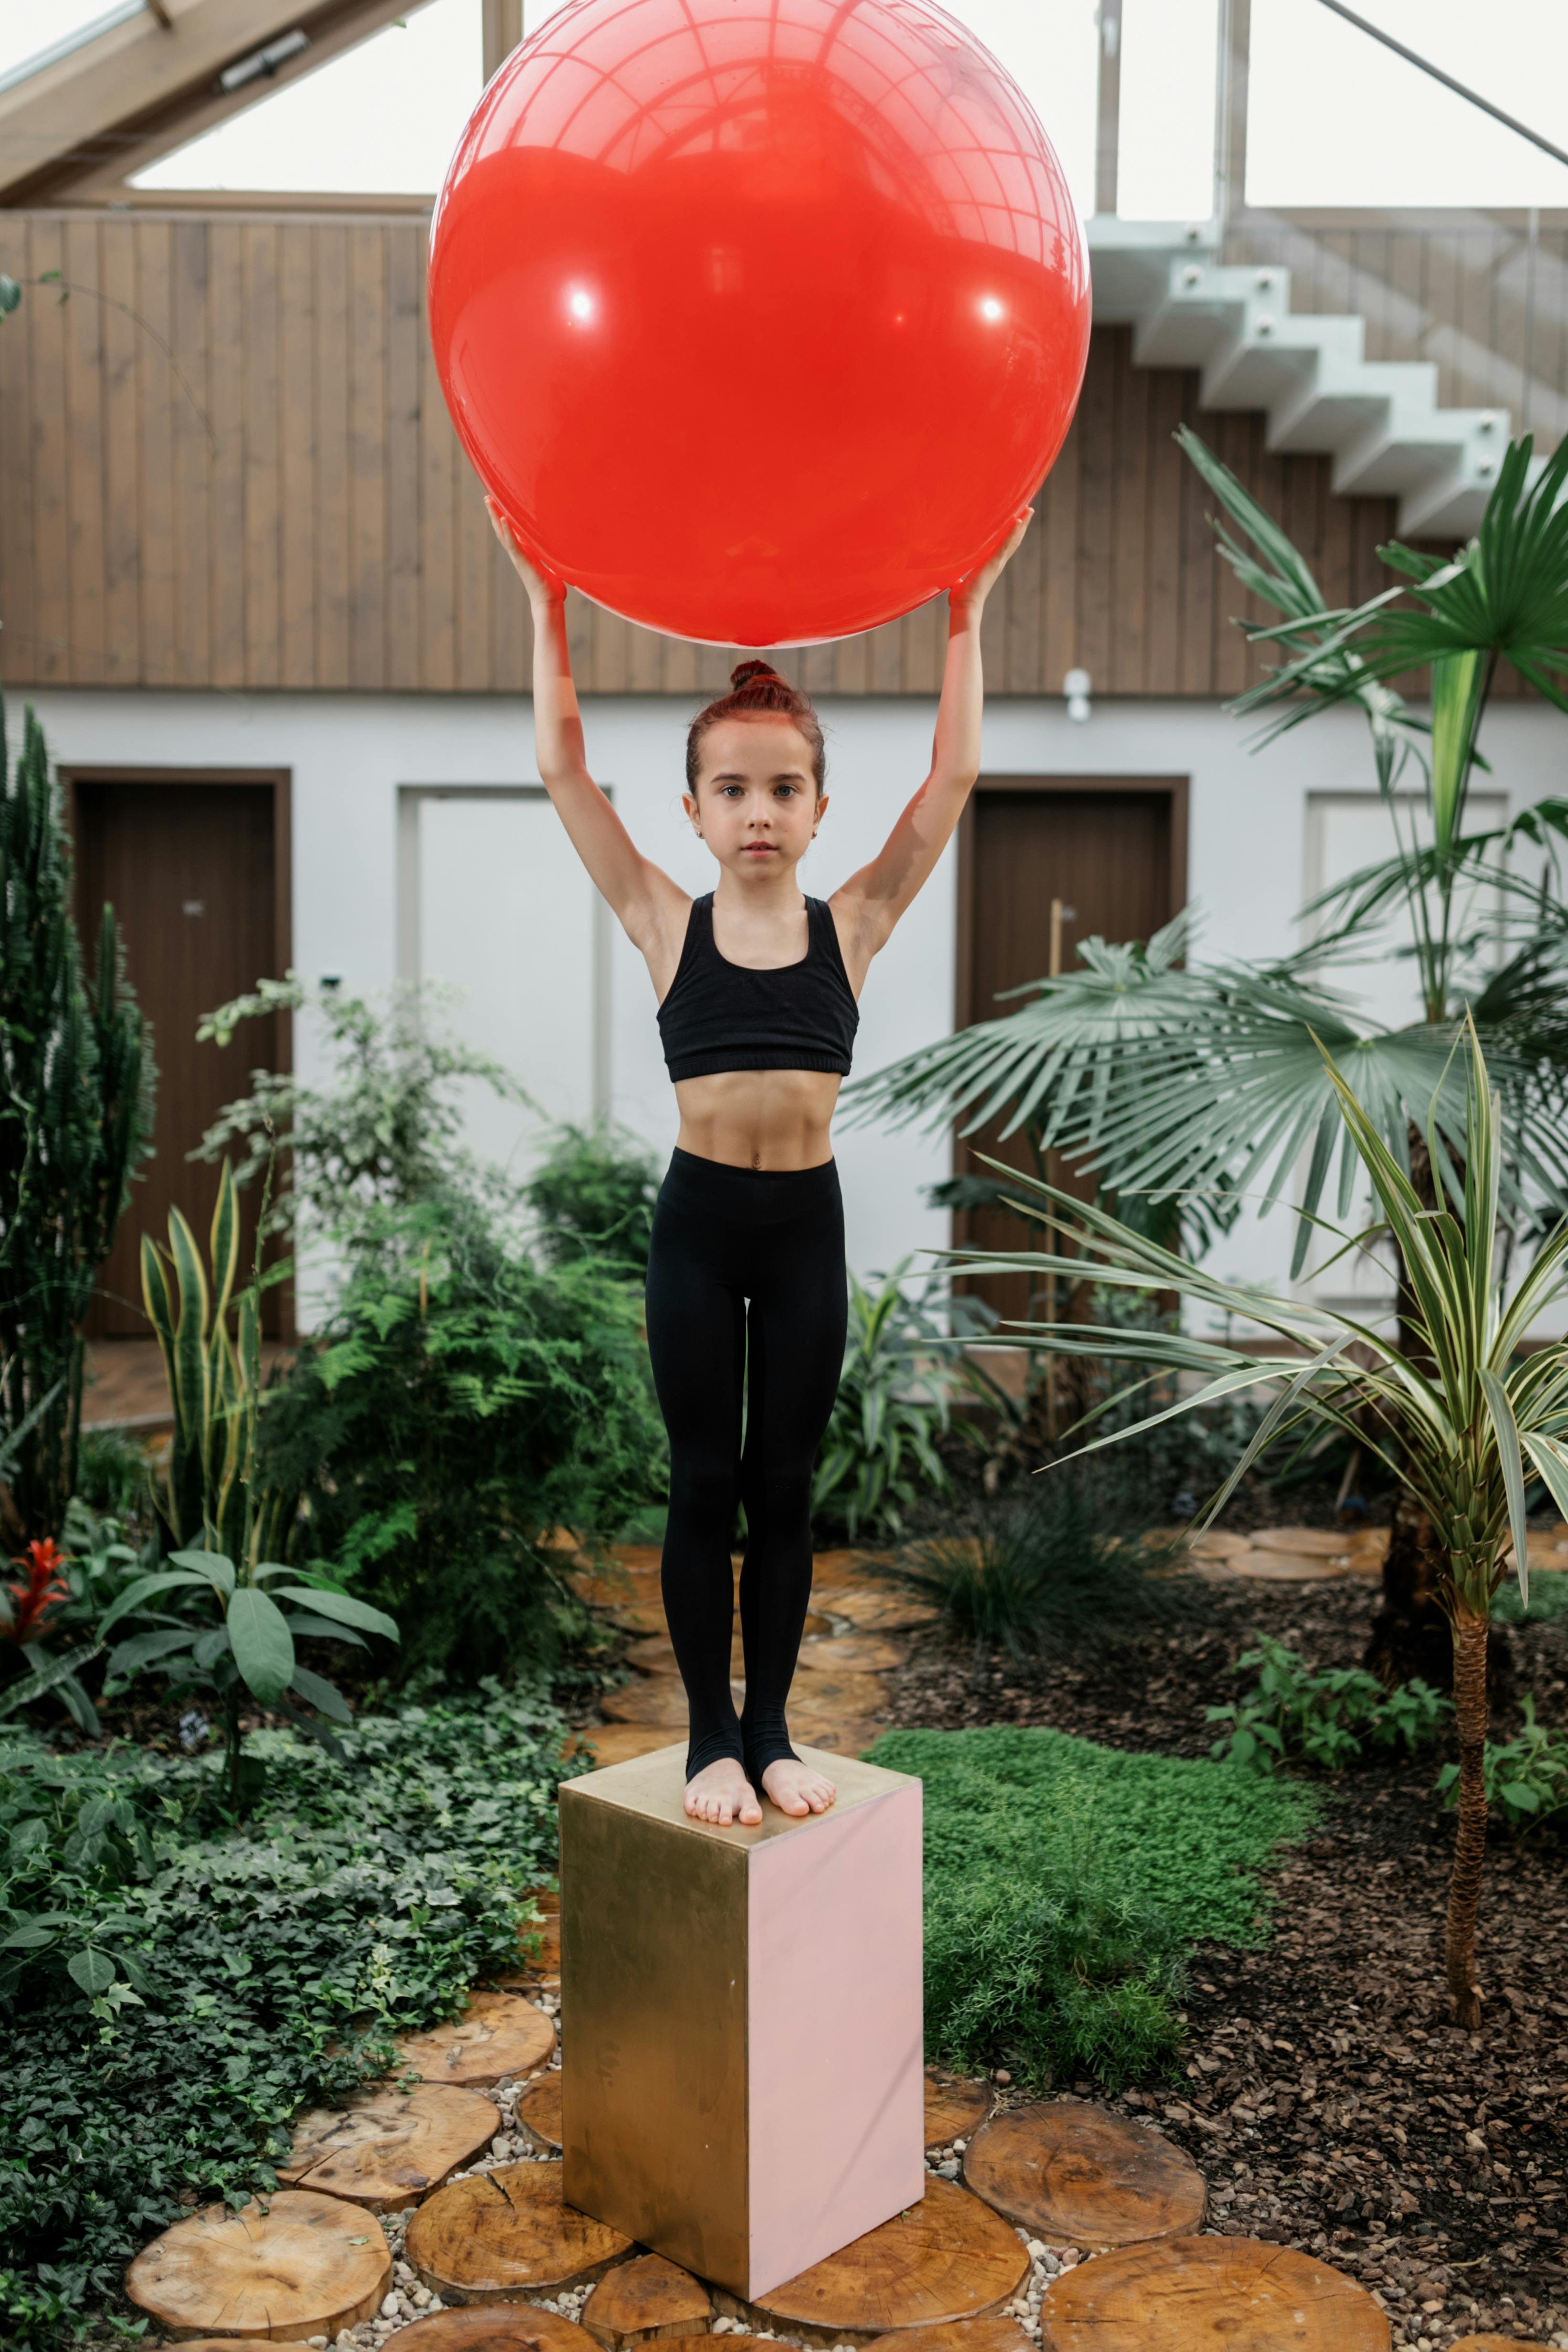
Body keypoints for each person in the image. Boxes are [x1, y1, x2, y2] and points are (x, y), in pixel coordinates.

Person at [490, 500, 1031, 1828]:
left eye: (783, 788)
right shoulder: (661, 920)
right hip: (699, 1226)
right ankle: (707, 1743)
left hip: (804, 1231)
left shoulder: (856, 920)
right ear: (692, 808)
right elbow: (564, 772)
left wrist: (966, 613)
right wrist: (546, 602)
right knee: (703, 1482)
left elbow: (949, 781)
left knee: (786, 1484)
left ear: (816, 805)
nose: (757, 812)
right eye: (731, 789)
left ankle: (777, 1728)